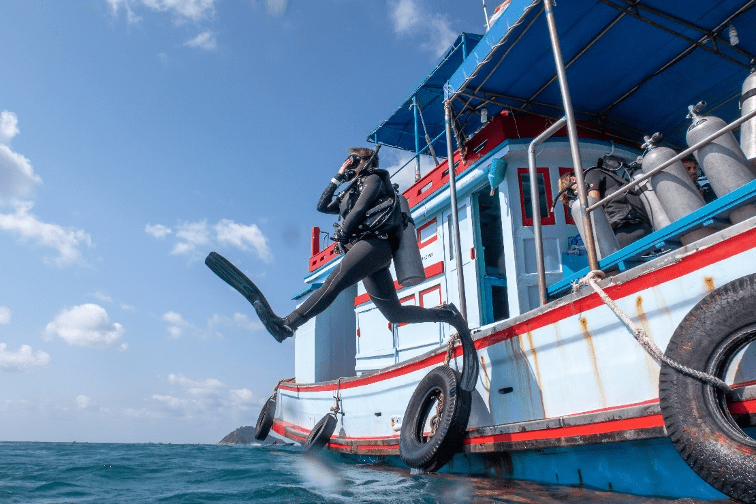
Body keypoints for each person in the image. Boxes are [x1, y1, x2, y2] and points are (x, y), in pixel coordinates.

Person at [223, 147, 469, 343]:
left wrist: (342, 236)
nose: (349, 163)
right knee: (394, 314)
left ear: (364, 161)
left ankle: (289, 324)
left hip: (375, 245)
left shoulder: (374, 178)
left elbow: (361, 209)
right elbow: (322, 206)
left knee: (334, 282)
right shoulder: (349, 192)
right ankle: (447, 314)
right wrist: (337, 177)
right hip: (369, 254)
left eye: (353, 160)